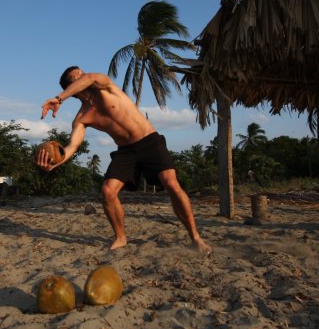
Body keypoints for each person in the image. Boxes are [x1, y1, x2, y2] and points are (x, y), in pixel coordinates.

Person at [37, 66, 212, 254]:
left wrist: (59, 98)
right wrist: (55, 162)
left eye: (82, 72)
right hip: (126, 151)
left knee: (171, 184)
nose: (83, 76)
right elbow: (72, 147)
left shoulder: (105, 86)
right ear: (73, 88)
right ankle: (120, 237)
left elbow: (92, 78)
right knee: (107, 191)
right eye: (76, 77)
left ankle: (195, 237)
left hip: (149, 141)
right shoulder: (81, 118)